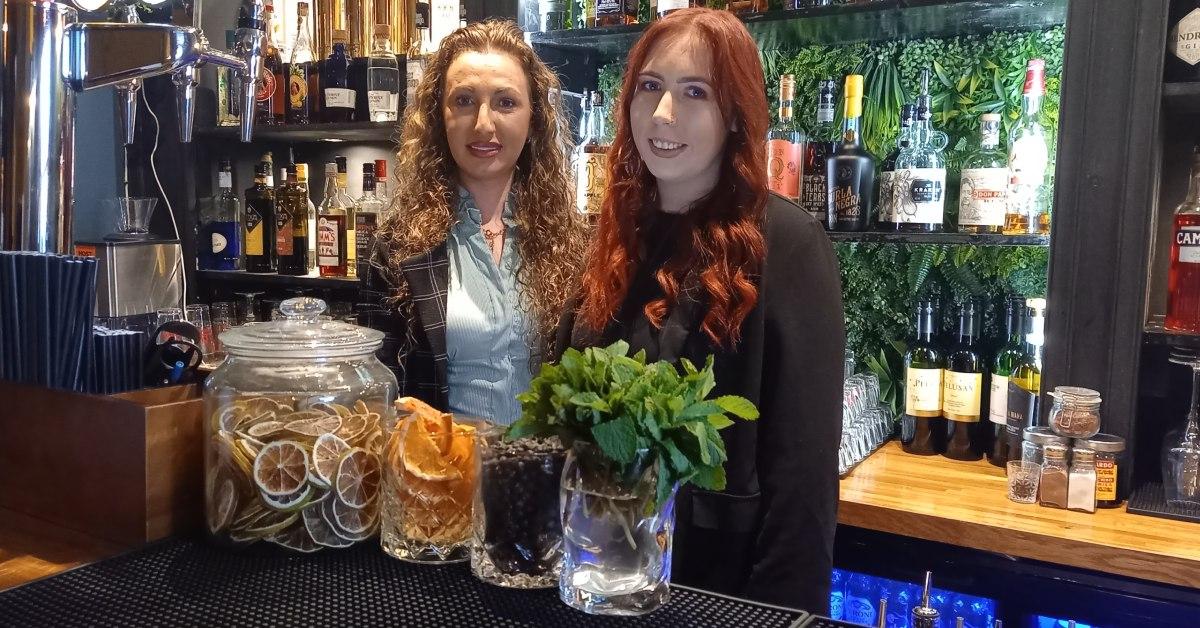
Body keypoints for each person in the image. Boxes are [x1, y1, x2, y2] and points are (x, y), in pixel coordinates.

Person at [553, 8, 844, 613]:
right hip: (595, 578)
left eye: (695, 93)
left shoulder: (788, 242)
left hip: (718, 587)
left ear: (735, 113)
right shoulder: (612, 235)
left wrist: (781, 618)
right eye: (650, 87)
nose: (662, 114)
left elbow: (803, 484)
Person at [362, 20, 588, 426]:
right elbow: (376, 395)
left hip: (545, 479)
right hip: (444, 477)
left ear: (534, 118)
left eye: (505, 102)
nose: (484, 124)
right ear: (438, 116)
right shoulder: (397, 249)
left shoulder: (574, 244)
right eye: (464, 101)